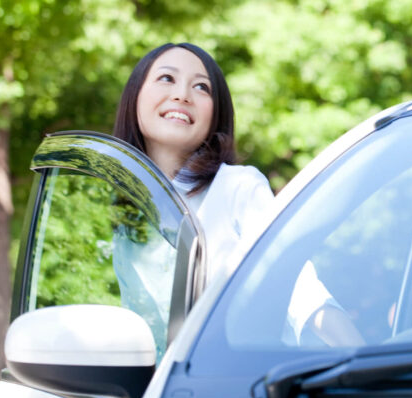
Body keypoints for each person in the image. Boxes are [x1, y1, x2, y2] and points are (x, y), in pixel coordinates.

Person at [111, 43, 362, 357]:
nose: (182, 95)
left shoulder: (237, 187)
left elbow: (297, 286)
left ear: (216, 114)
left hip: (230, 389)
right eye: (166, 78)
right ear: (135, 96)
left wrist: (362, 358)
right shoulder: (118, 207)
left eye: (201, 87)